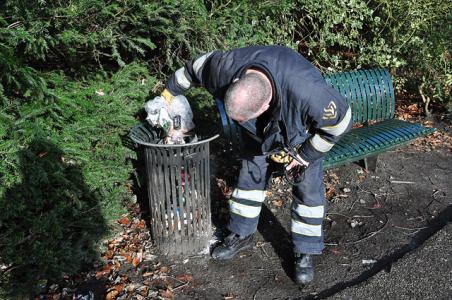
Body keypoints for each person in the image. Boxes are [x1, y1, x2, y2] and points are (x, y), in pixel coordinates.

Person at [154, 45, 352, 284]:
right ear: (237, 80)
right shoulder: (223, 69)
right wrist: (167, 96)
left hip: (300, 136)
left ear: (264, 106)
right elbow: (192, 68)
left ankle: (306, 251)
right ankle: (241, 232)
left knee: (307, 189)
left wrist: (305, 155)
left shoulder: (309, 94)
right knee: (249, 177)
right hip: (258, 134)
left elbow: (339, 124)